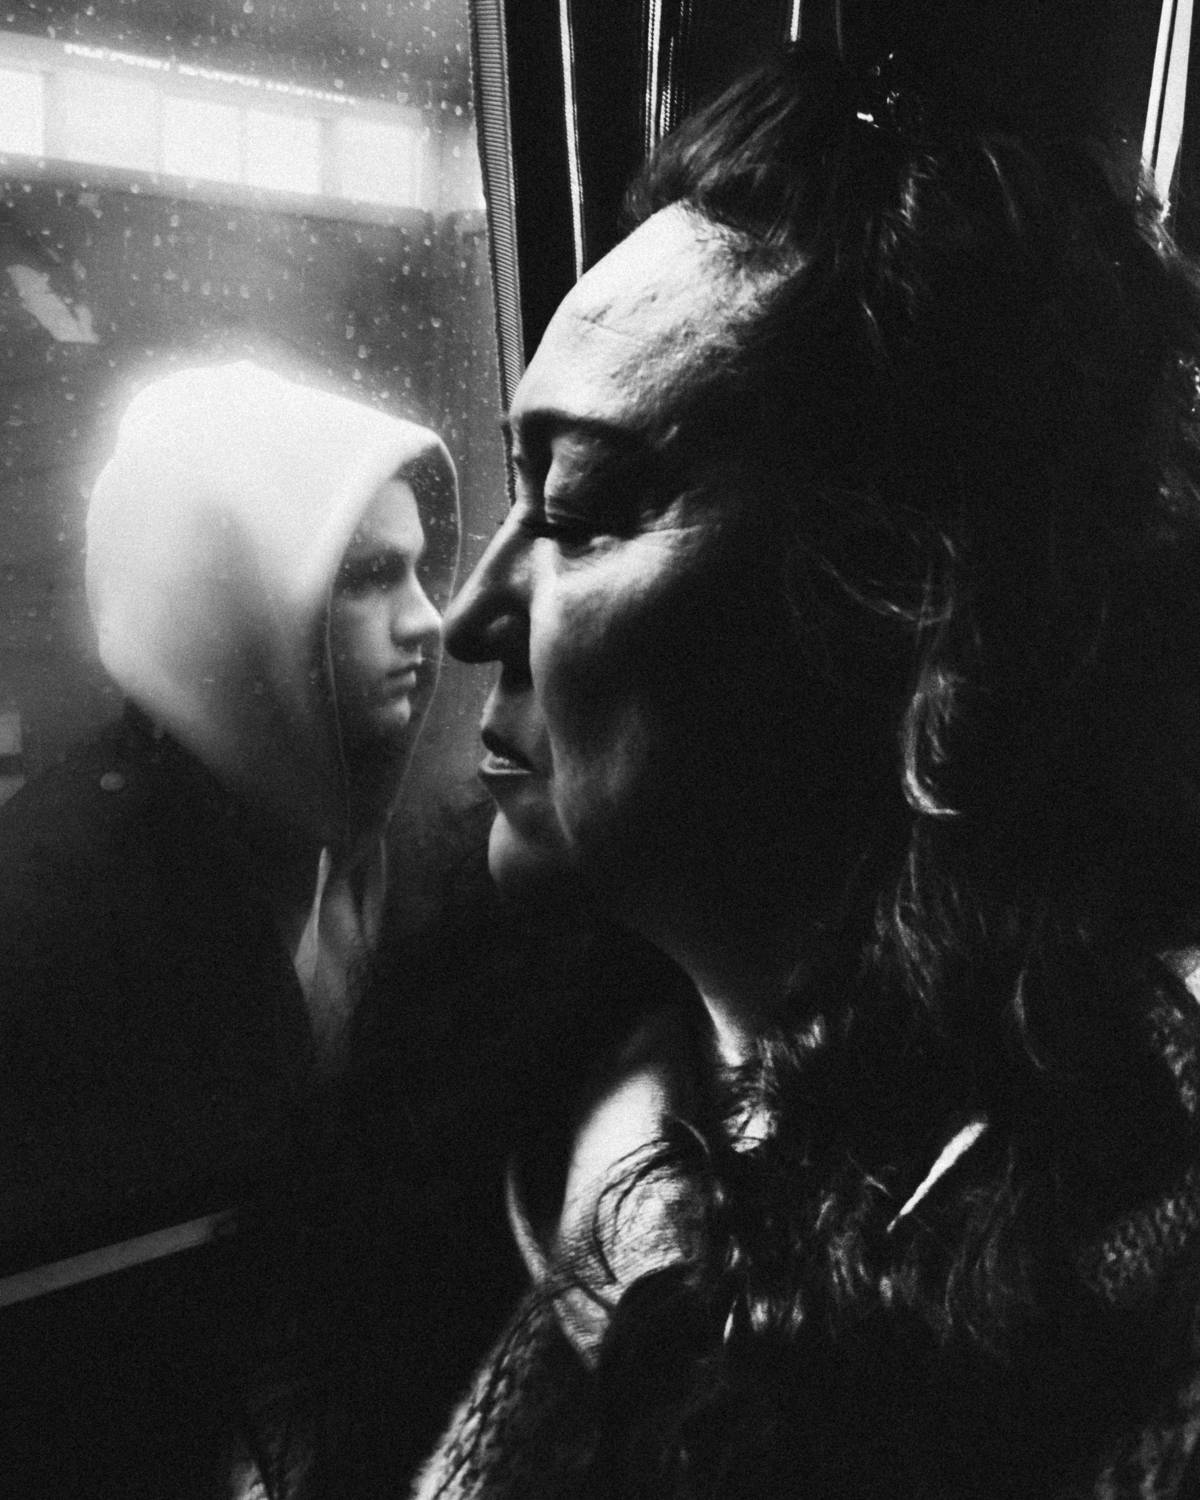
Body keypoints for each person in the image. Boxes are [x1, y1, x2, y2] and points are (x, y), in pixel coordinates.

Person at [413, 45, 1200, 1500]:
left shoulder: (1144, 1263)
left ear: (915, 607)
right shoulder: (516, 1126)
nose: (470, 615)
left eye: (580, 507)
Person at [0, 359, 453, 1495]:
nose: (429, 619)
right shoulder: (47, 916)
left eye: (420, 568)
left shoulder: (364, 844)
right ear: (231, 602)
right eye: (366, 575)